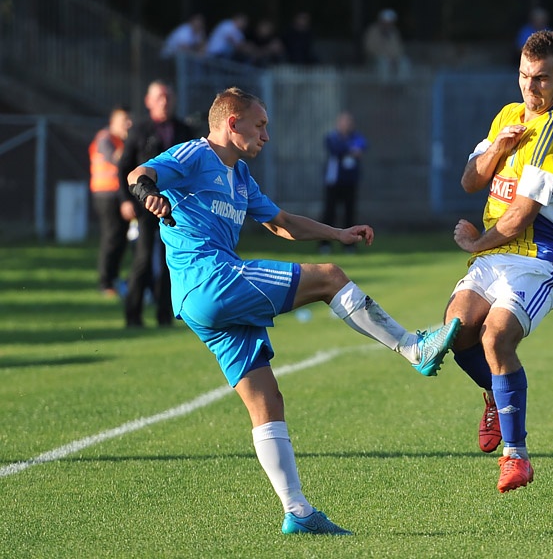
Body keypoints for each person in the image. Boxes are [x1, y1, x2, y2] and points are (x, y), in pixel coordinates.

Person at [125, 86, 460, 535]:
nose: (266, 135)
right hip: (212, 280)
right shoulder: (194, 154)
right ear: (232, 123)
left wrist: (338, 231)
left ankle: (297, 512)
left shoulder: (240, 177)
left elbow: (280, 223)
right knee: (329, 277)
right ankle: (412, 347)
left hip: (201, 302)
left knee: (267, 400)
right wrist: (149, 193)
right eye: (260, 125)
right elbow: (137, 173)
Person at [439, 30, 553, 493]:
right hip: (496, 254)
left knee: (496, 336)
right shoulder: (508, 115)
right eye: (524, 76)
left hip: (539, 257)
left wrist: (477, 243)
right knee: (455, 332)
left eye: (541, 79)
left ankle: (515, 456)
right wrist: (499, 146)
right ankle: (497, 399)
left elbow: (521, 216)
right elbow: (468, 180)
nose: (530, 88)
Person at [118, 80, 194, 327]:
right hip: (144, 206)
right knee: (142, 261)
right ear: (149, 101)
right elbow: (124, 168)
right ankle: (133, 316)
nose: (165, 101)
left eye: (169, 96)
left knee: (169, 262)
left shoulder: (184, 130)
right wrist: (125, 200)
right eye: (160, 97)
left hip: (174, 209)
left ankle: (165, 315)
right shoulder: (140, 130)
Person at [89, 105, 132, 297]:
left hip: (117, 195)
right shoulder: (105, 139)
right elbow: (118, 161)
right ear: (113, 122)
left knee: (120, 238)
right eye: (125, 121)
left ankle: (112, 280)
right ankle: (105, 282)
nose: (128, 125)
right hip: (106, 195)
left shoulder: (118, 140)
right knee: (112, 238)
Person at [319, 111, 367, 254]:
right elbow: (336, 149)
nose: (346, 125)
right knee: (329, 213)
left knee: (349, 213)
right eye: (344, 122)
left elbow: (363, 144)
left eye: (349, 122)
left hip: (350, 182)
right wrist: (351, 149)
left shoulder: (355, 137)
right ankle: (325, 244)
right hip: (333, 182)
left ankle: (350, 245)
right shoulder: (332, 137)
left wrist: (351, 148)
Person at [362, 8, 411, 81]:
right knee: (383, 63)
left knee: (405, 62)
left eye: (390, 22)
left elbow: (399, 48)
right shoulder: (372, 31)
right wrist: (387, 57)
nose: (388, 25)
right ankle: (385, 86)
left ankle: (402, 85)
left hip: (394, 59)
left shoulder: (394, 32)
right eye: (386, 22)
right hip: (377, 59)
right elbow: (369, 48)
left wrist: (395, 58)